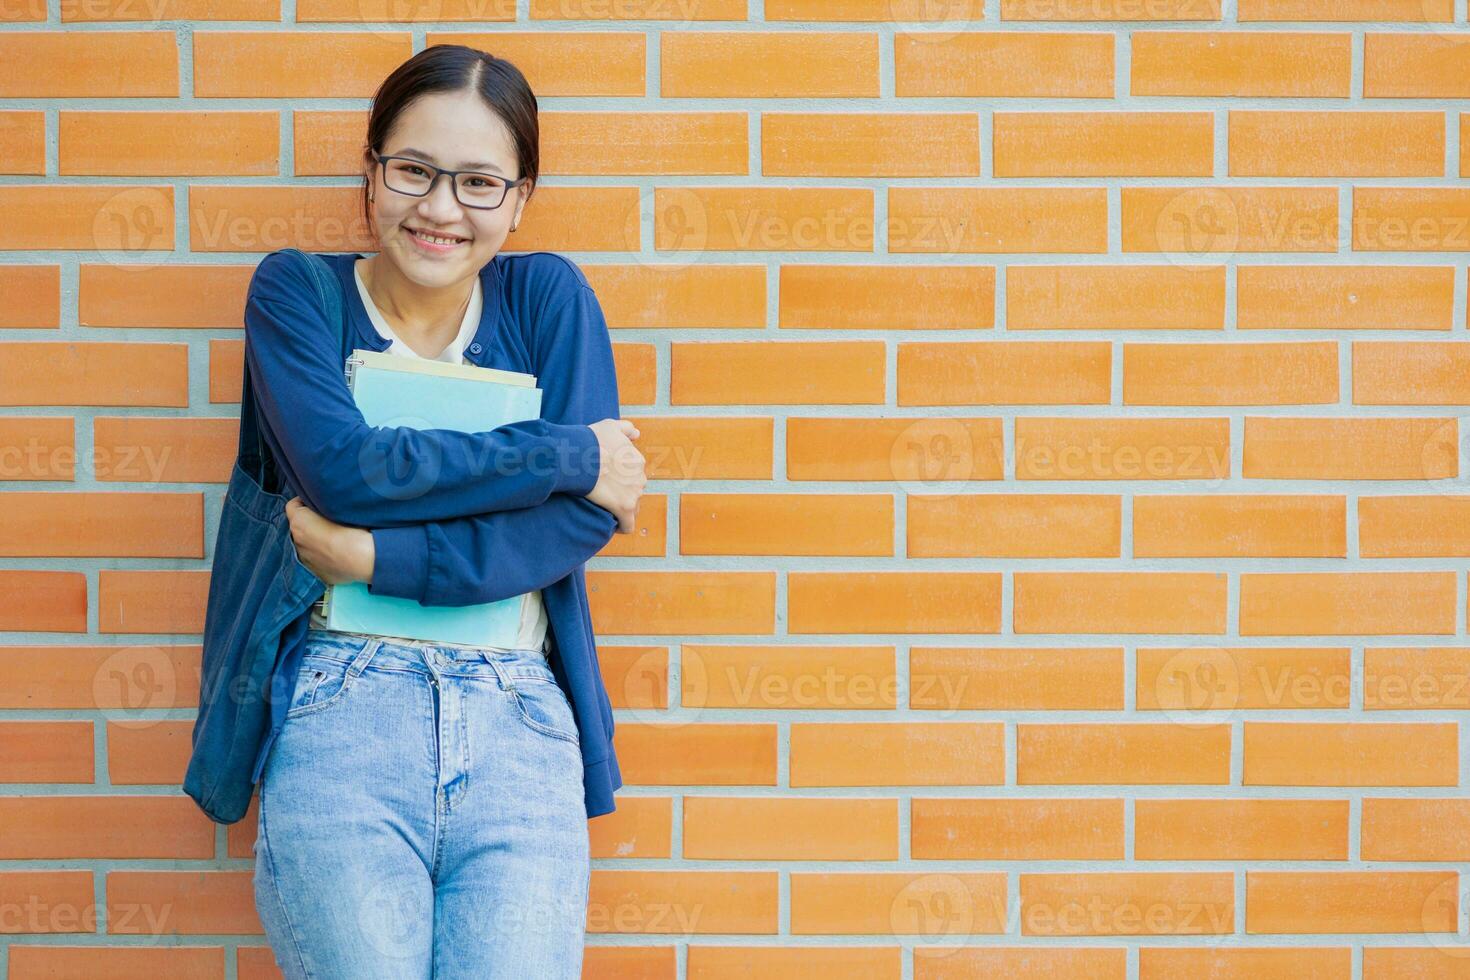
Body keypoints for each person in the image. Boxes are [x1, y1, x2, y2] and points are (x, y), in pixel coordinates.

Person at [241, 43, 646, 979]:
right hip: (343, 711)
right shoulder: (297, 295)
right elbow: (343, 472)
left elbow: (573, 528)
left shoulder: (548, 297)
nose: (440, 209)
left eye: (478, 182)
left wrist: (382, 562)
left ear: (520, 197)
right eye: (414, 171)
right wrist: (567, 451)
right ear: (371, 172)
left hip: (520, 722)